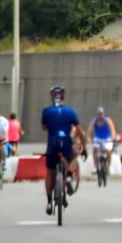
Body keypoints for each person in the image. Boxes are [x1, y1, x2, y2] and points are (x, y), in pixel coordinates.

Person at [42, 86, 87, 215]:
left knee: (50, 172)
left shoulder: (47, 111)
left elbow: (44, 127)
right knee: (74, 157)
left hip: (52, 143)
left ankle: (49, 202)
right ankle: (68, 175)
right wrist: (84, 148)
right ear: (63, 97)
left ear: (52, 97)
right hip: (66, 142)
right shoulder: (71, 111)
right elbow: (79, 131)